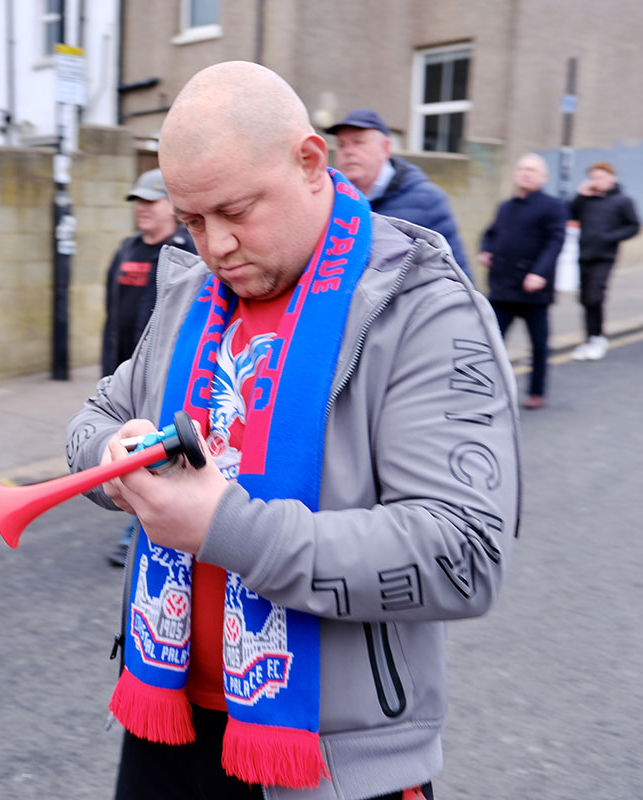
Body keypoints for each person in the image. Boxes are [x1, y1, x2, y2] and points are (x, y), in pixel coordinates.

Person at [65, 62, 519, 800]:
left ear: (312, 162)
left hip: (334, 759)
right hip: (167, 724)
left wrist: (224, 527)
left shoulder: (427, 310)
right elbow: (97, 418)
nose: (214, 247)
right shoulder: (189, 296)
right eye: (191, 220)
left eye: (236, 210)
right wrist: (113, 459)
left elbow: (462, 555)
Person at [101, 168, 197, 567]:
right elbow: (113, 313)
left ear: (172, 207)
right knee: (124, 448)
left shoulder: (184, 252)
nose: (142, 209)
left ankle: (139, 530)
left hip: (162, 371)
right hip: (124, 370)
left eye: (150, 201)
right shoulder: (125, 250)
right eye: (137, 201)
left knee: (151, 452)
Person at [327, 108, 471, 276]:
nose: (348, 151)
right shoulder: (331, 202)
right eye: (341, 145)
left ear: (385, 148)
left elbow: (457, 273)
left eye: (358, 142)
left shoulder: (427, 201)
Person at [478, 154, 567, 409]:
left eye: (532, 170)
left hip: (533, 289)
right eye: (522, 169)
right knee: (490, 343)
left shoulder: (553, 206)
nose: (526, 173)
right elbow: (491, 233)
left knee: (539, 345)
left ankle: (537, 392)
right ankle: (484, 390)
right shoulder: (506, 207)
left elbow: (555, 242)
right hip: (503, 287)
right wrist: (486, 249)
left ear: (544, 177)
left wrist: (539, 273)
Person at [568, 161, 640, 361]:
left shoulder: (623, 201)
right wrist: (580, 195)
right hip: (584, 254)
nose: (596, 181)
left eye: (600, 177)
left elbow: (633, 226)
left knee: (594, 297)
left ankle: (598, 338)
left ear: (611, 178)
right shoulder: (586, 200)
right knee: (584, 300)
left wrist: (610, 237)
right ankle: (591, 338)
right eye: (593, 177)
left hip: (605, 257)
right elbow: (568, 213)